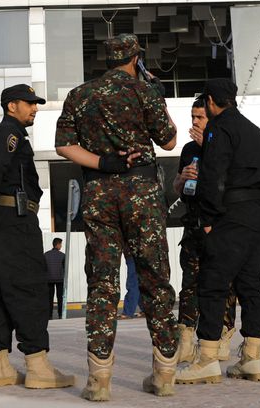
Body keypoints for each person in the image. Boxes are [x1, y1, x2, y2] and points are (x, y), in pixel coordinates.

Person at [56, 33, 179, 400]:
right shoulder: (145, 92)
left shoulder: (80, 95)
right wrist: (156, 93)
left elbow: (64, 146)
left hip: (99, 193)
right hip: (142, 195)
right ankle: (164, 375)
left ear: (106, 59)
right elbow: (170, 140)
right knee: (155, 278)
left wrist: (103, 162)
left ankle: (99, 380)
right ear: (135, 58)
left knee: (102, 282)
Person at [0, 83, 74, 390]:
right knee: (29, 288)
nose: (35, 108)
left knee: (4, 291)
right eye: (29, 103)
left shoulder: (7, 135)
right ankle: (38, 364)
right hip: (14, 221)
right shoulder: (9, 134)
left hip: (8, 219)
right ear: (11, 105)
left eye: (36, 103)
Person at [175, 79, 260, 385]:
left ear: (209, 101)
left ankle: (206, 358)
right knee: (251, 285)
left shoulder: (218, 128)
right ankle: (252, 359)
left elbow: (214, 176)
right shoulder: (254, 130)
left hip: (231, 215)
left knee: (212, 283)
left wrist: (208, 218)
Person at [171, 96, 238, 364]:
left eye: (200, 117)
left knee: (224, 283)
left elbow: (232, 182)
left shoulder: (225, 145)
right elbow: (177, 186)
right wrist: (182, 178)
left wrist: (208, 150)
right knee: (190, 284)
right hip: (193, 224)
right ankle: (185, 339)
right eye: (193, 117)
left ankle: (221, 337)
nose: (195, 122)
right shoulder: (188, 149)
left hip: (220, 226)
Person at [44, 238, 65, 319]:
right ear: (58, 244)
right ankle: (60, 315)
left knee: (49, 299)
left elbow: (43, 267)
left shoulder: (45, 255)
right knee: (60, 298)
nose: (61, 246)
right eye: (61, 244)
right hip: (60, 280)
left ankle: (49, 315)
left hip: (48, 280)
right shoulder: (63, 255)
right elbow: (65, 268)